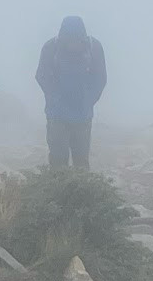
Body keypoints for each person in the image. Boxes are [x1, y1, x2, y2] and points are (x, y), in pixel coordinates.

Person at [34, 15, 106, 169]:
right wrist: (56, 98)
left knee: (81, 160)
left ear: (83, 38)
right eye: (70, 41)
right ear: (63, 39)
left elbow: (100, 79)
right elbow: (41, 75)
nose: (74, 45)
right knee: (58, 160)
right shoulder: (50, 48)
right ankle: (59, 190)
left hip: (83, 114)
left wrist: (88, 100)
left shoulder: (94, 48)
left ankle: (82, 191)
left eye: (77, 41)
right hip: (57, 115)